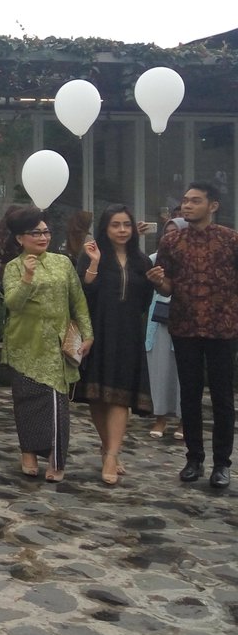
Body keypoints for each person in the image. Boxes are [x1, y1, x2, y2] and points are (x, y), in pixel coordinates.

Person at [0, 206, 93, 483]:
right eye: (35, 233)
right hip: (25, 343)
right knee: (26, 401)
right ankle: (28, 451)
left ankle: (56, 458)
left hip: (56, 344)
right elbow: (13, 304)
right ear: (20, 238)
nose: (42, 237)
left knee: (56, 403)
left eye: (46, 232)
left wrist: (87, 333)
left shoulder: (62, 263)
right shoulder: (14, 267)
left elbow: (78, 300)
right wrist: (27, 278)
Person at [155, 182, 238, 489]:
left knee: (222, 398)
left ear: (212, 206)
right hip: (185, 325)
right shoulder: (172, 241)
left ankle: (222, 464)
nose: (187, 206)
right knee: (189, 394)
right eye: (185, 201)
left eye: (195, 201)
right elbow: (167, 287)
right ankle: (194, 459)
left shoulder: (230, 240)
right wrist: (157, 282)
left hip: (223, 328)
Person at [75, 204, 159, 485]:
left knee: (120, 396)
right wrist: (95, 263)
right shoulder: (90, 254)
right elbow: (84, 292)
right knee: (97, 395)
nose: (122, 230)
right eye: (115, 225)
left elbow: (144, 301)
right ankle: (106, 445)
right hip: (98, 331)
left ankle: (112, 454)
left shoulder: (141, 261)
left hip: (128, 335)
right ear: (105, 228)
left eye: (126, 224)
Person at [146, 218, 186, 439]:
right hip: (159, 322)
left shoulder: (192, 259)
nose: (170, 237)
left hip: (186, 322)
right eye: (167, 232)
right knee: (159, 370)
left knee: (184, 373)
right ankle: (159, 417)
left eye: (175, 232)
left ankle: (184, 421)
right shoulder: (154, 259)